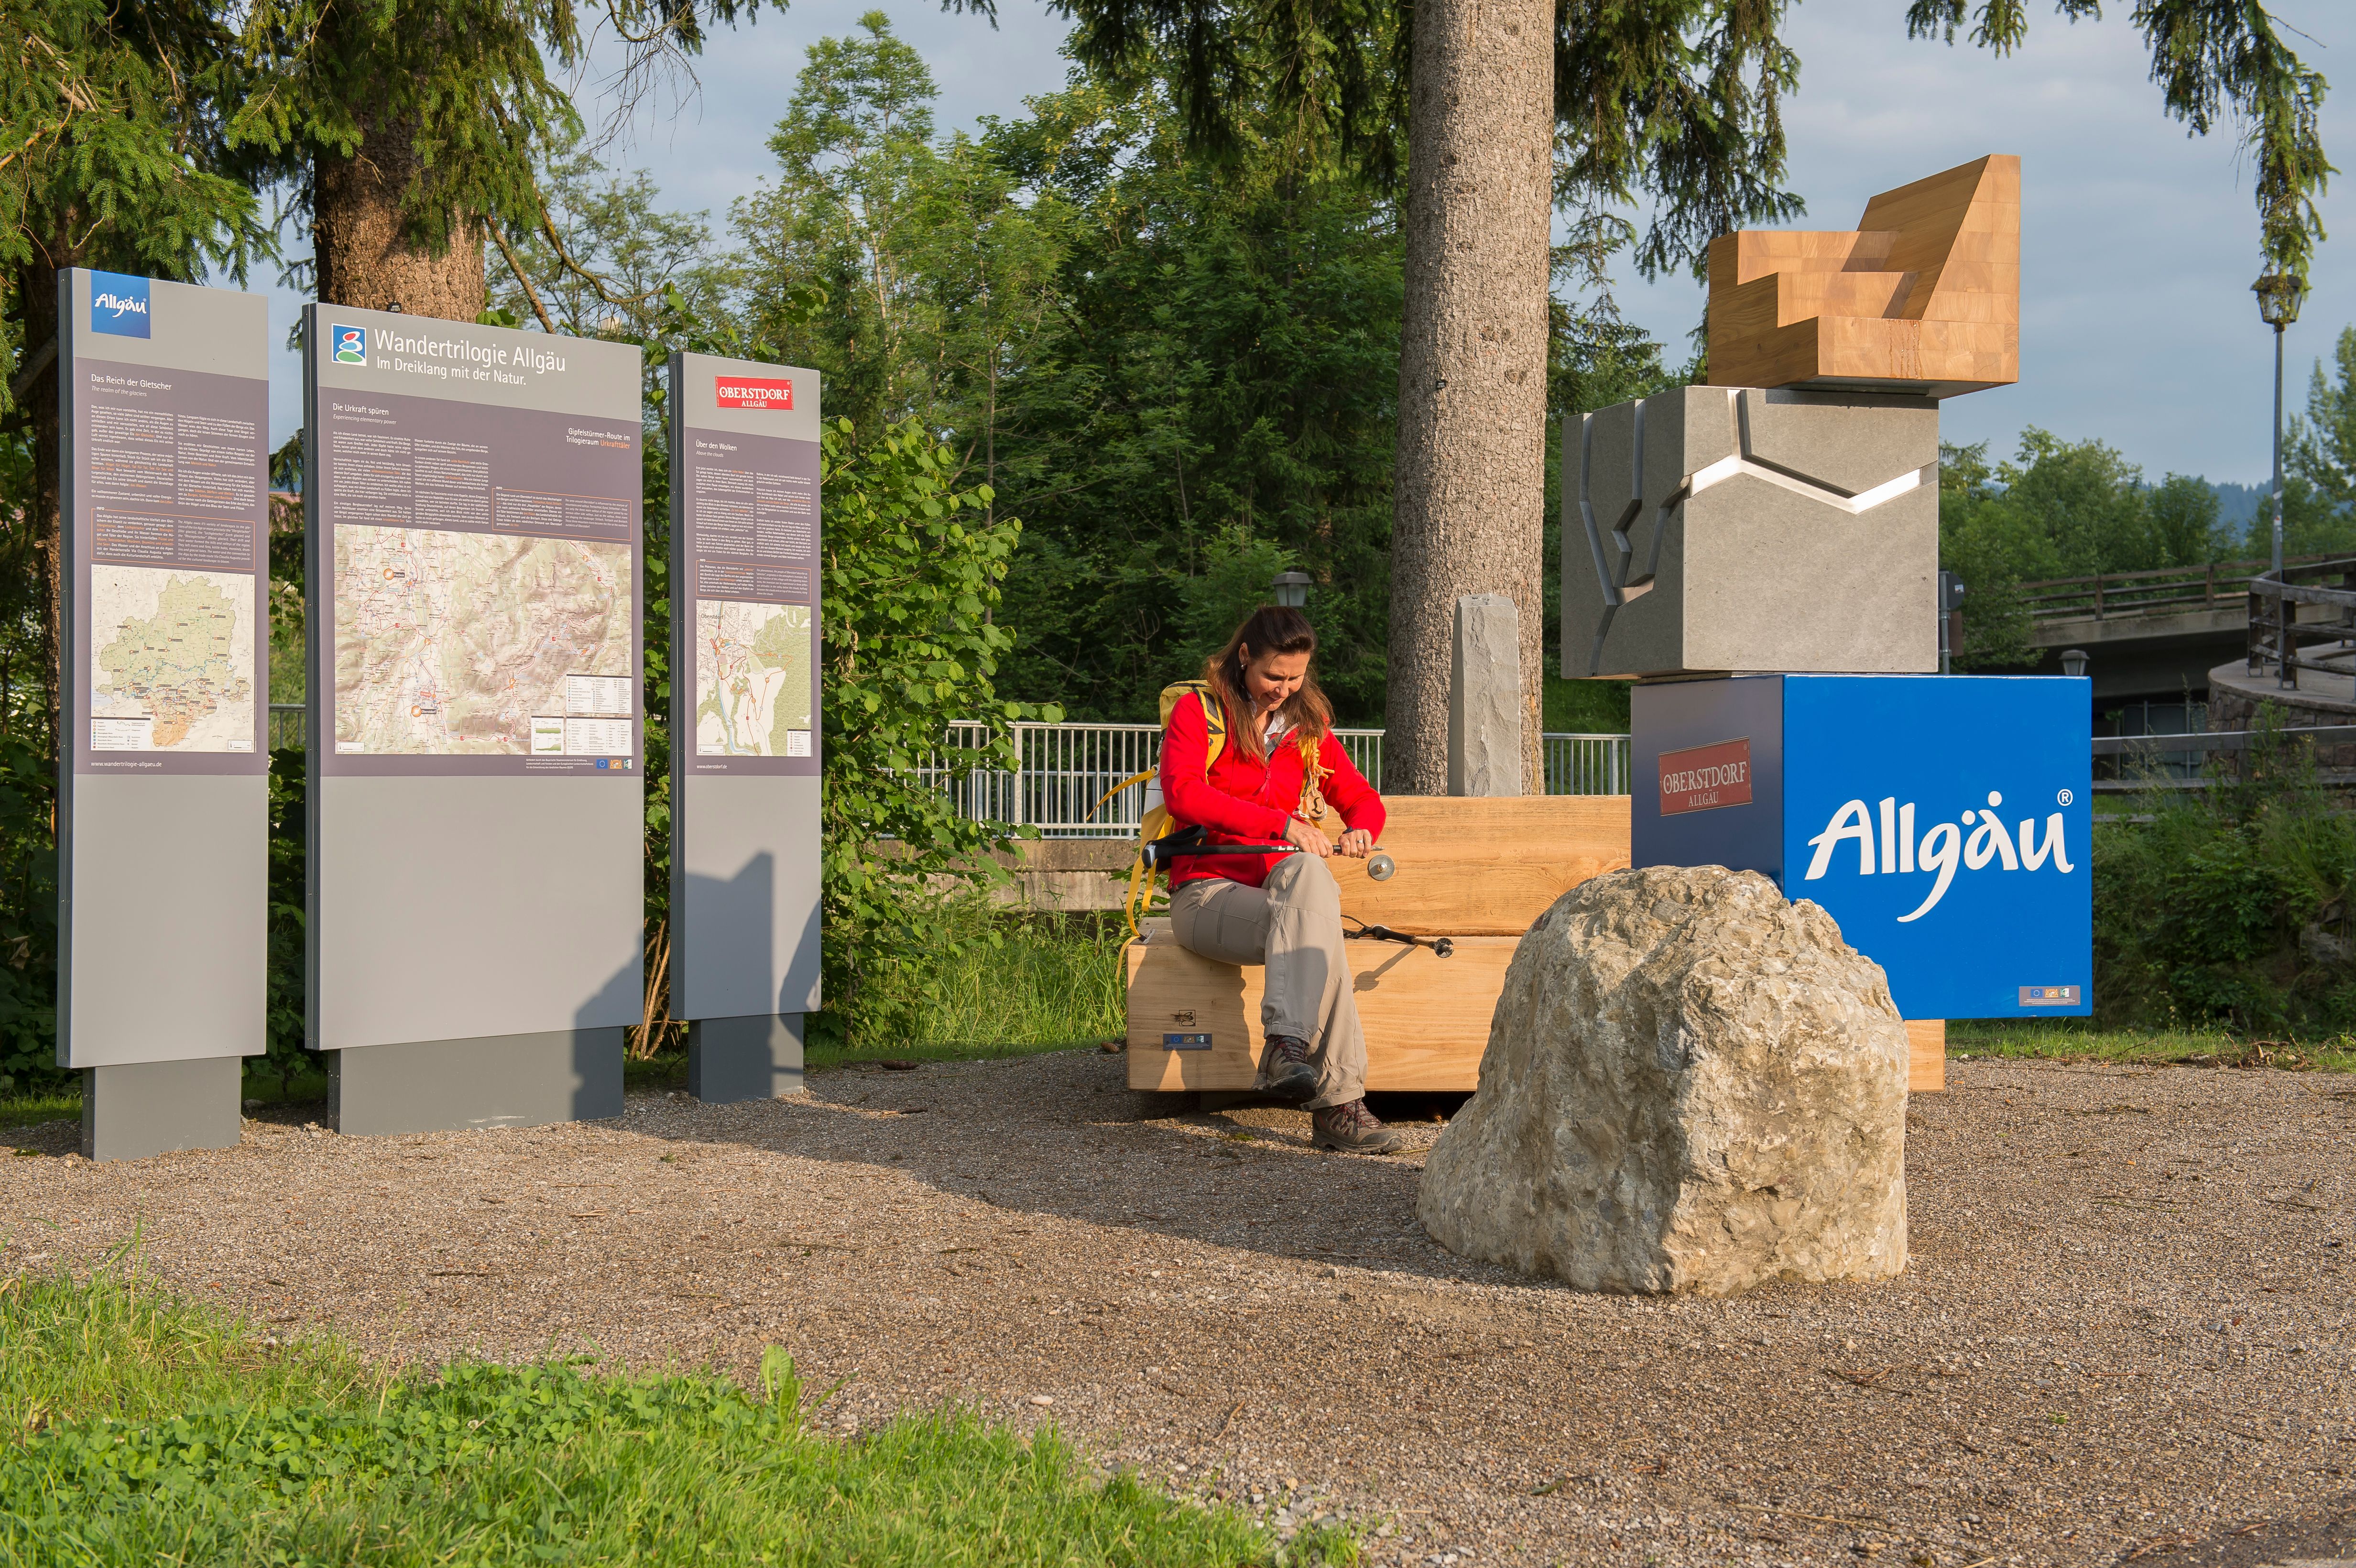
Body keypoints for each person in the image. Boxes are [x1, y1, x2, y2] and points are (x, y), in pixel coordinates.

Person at [1156, 605, 1401, 1154]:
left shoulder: (1305, 726)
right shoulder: (1198, 712)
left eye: (1294, 679)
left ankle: (1284, 1045)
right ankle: (1340, 1105)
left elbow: (1360, 797)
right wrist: (1282, 823)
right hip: (1205, 894)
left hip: (1281, 901)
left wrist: (1362, 828)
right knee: (1317, 928)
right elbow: (1183, 794)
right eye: (1272, 676)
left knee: (1310, 891)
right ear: (1244, 657)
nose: (1282, 690)